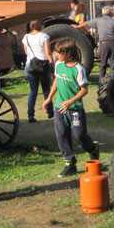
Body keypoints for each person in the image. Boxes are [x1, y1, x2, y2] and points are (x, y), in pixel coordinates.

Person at [43, 39, 100, 177]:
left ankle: (93, 149)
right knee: (61, 135)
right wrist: (49, 97)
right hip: (59, 108)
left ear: (67, 53)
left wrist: (70, 102)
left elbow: (84, 90)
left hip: (75, 109)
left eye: (59, 52)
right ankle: (70, 162)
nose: (56, 55)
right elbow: (56, 80)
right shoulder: (58, 65)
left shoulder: (78, 69)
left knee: (79, 135)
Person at [21, 19, 54, 123]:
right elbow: (47, 52)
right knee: (46, 89)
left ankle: (30, 115)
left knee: (33, 91)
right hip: (43, 65)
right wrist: (52, 64)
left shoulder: (25, 37)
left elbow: (26, 52)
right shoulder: (44, 36)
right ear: (41, 25)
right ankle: (50, 112)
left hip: (30, 65)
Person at [75, 5, 114, 81]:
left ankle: (101, 81)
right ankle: (113, 80)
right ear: (110, 13)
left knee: (103, 64)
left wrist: (77, 26)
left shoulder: (98, 20)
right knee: (113, 64)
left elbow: (86, 23)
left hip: (104, 43)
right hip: (113, 43)